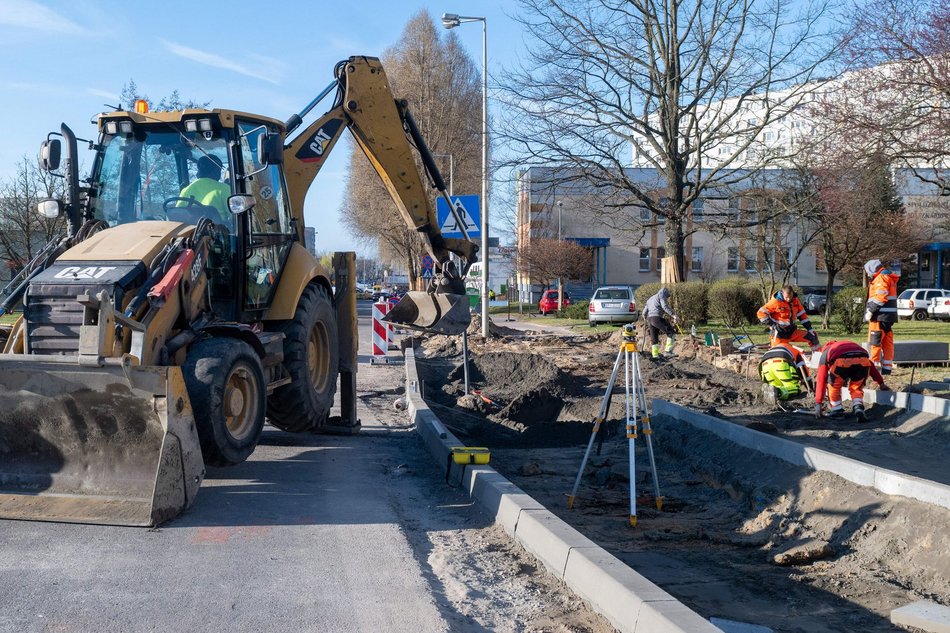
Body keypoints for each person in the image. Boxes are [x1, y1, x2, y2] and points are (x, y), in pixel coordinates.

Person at [814, 340, 890, 421]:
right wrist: (881, 383)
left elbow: (821, 379)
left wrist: (818, 402)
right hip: (863, 360)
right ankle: (858, 407)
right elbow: (870, 365)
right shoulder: (850, 345)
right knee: (856, 387)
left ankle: (837, 411)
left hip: (842, 362)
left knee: (834, 386)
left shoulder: (826, 353)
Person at [756, 285, 820, 351]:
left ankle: (818, 358)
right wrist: (772, 325)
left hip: (791, 332)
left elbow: (802, 315)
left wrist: (809, 328)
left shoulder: (796, 301)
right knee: (779, 353)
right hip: (779, 334)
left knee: (813, 337)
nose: (789, 299)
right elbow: (760, 313)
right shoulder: (775, 302)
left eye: (790, 297)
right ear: (782, 293)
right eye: (786, 297)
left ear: (793, 293)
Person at [864, 259, 899, 375]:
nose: (867, 274)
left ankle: (872, 370)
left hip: (879, 316)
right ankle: (887, 369)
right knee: (887, 343)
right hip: (889, 317)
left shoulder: (880, 278)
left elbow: (880, 297)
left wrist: (870, 311)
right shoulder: (888, 277)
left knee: (874, 342)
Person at [176, 156, 231, 223]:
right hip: (218, 231)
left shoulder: (186, 190)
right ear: (216, 171)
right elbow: (234, 216)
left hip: (192, 231)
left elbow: (177, 216)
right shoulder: (224, 188)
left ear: (199, 170)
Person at [643, 286, 678, 358]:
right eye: (667, 297)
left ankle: (655, 355)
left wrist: (645, 318)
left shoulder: (650, 298)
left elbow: (644, 312)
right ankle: (668, 351)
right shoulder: (661, 295)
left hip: (650, 319)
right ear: (665, 294)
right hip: (657, 318)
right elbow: (664, 306)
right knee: (671, 332)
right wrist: (673, 315)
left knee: (654, 338)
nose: (666, 298)